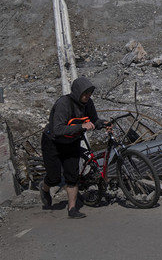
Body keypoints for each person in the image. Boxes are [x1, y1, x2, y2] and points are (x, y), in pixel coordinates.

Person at [40, 77, 108, 219]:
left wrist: (103, 124)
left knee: (72, 176)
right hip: (52, 142)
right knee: (54, 178)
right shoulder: (63, 104)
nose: (87, 96)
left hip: (72, 142)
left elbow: (93, 120)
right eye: (85, 93)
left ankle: (72, 209)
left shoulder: (88, 103)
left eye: (90, 93)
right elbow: (58, 129)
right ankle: (44, 188)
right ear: (77, 92)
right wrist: (81, 126)